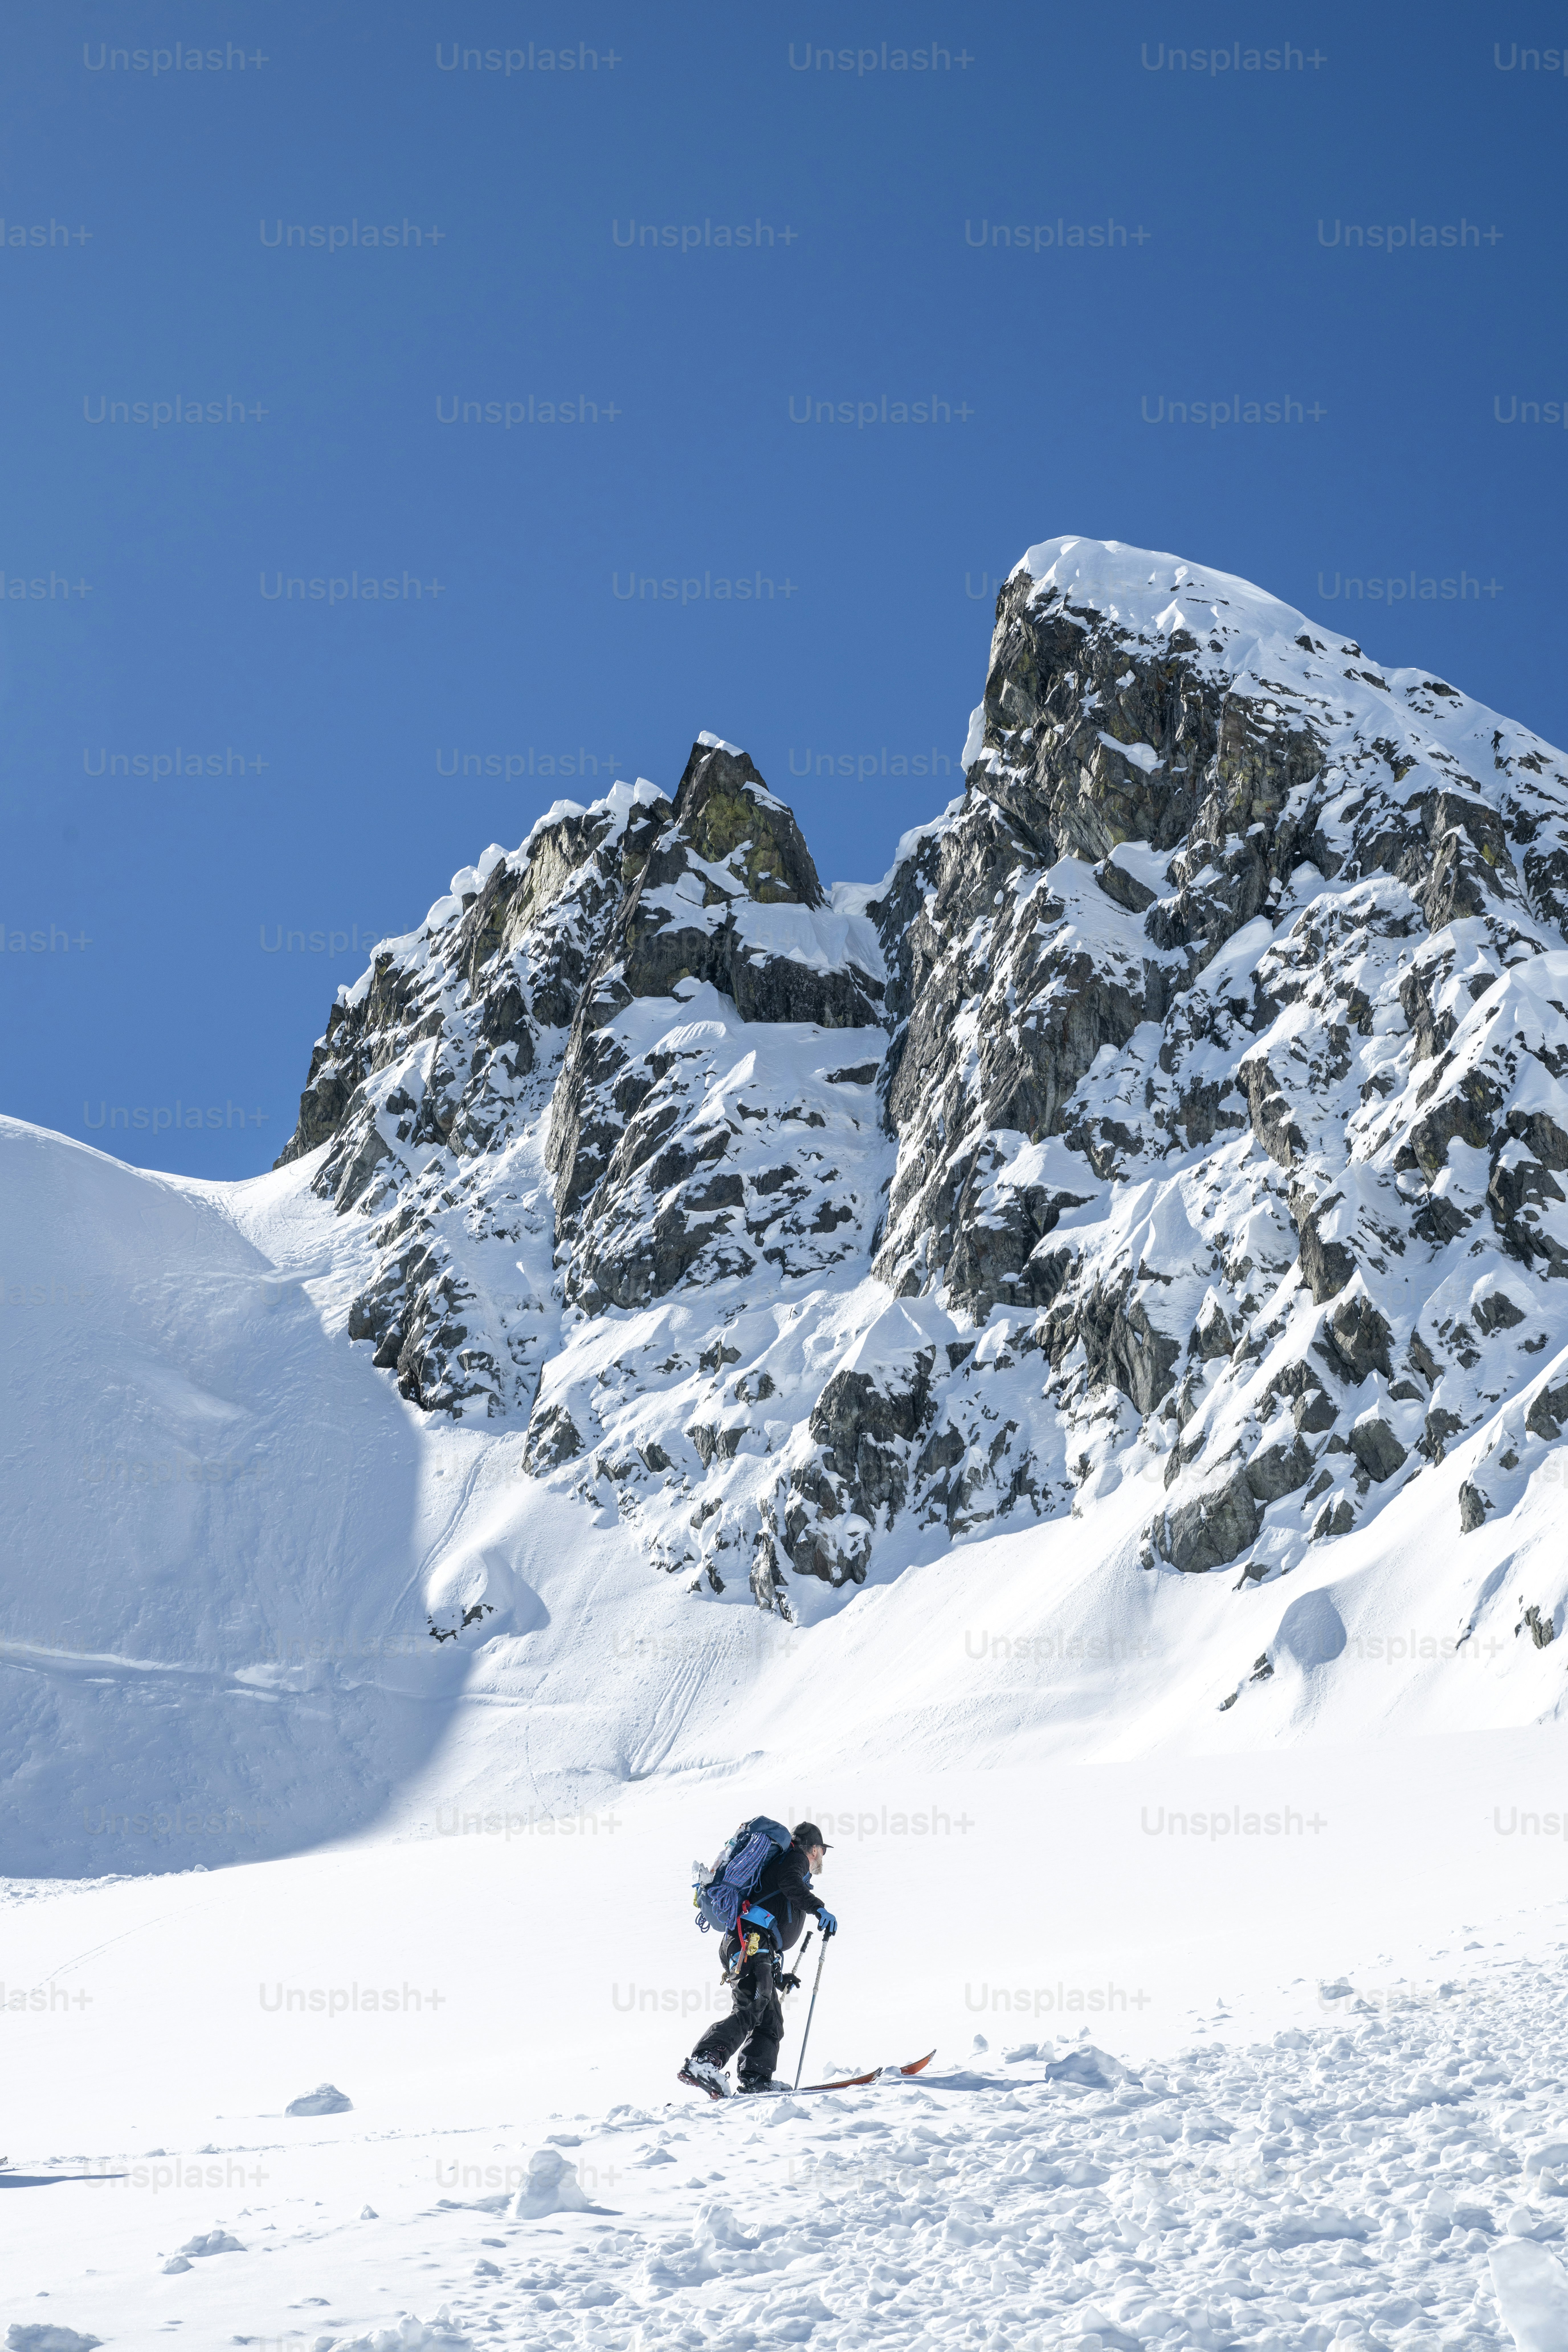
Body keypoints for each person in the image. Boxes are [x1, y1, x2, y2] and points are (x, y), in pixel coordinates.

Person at [678, 1820, 838, 2097]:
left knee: (770, 2018)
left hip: (751, 1944)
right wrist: (818, 1909)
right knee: (752, 2006)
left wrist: (778, 1976)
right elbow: (788, 1886)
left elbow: (769, 1915)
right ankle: (703, 2063)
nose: (821, 1858)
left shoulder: (783, 1865)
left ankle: (755, 2079)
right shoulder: (795, 1860)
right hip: (750, 1941)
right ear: (813, 1849)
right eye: (822, 1851)